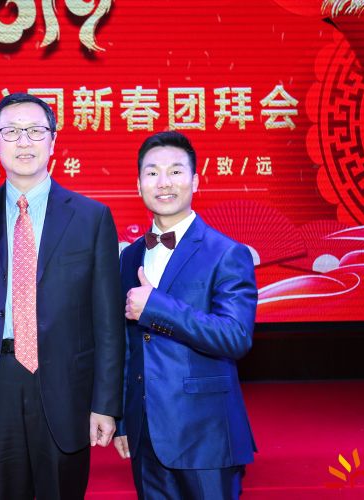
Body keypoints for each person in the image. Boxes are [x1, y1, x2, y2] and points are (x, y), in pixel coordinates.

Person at [0, 93, 125, 499]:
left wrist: (106, 403)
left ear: (54, 141)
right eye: (11, 132)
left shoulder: (92, 217)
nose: (24, 141)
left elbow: (108, 323)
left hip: (66, 383)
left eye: (36, 131)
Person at [113, 131, 257, 499]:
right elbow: (128, 346)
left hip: (206, 436)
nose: (164, 183)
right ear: (138, 185)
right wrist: (124, 420)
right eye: (152, 173)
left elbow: (235, 336)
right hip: (146, 434)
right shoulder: (130, 256)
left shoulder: (227, 253)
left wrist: (156, 307)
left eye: (176, 172)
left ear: (195, 181)